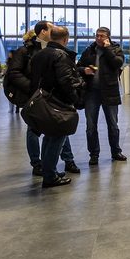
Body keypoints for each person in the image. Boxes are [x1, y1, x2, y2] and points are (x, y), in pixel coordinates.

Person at [5, 23, 80, 176]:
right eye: (51, 28)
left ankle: (66, 160)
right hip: (36, 97)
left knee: (59, 128)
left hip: (53, 97)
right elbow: (14, 73)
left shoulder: (52, 50)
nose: (54, 30)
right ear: (43, 32)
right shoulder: (26, 51)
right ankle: (38, 164)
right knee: (35, 130)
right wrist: (34, 90)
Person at [29, 26, 83, 187]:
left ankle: (48, 171)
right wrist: (76, 99)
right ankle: (50, 176)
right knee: (57, 137)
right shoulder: (61, 55)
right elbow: (66, 81)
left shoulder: (39, 54)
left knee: (49, 136)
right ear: (66, 39)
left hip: (42, 100)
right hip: (58, 102)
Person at [76, 27, 127, 165]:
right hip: (91, 92)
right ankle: (94, 154)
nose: (99, 38)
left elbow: (117, 63)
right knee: (90, 126)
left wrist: (107, 49)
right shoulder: (89, 50)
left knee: (113, 124)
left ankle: (116, 151)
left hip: (110, 91)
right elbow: (77, 67)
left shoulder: (115, 49)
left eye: (102, 36)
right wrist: (84, 70)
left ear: (108, 37)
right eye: (97, 35)